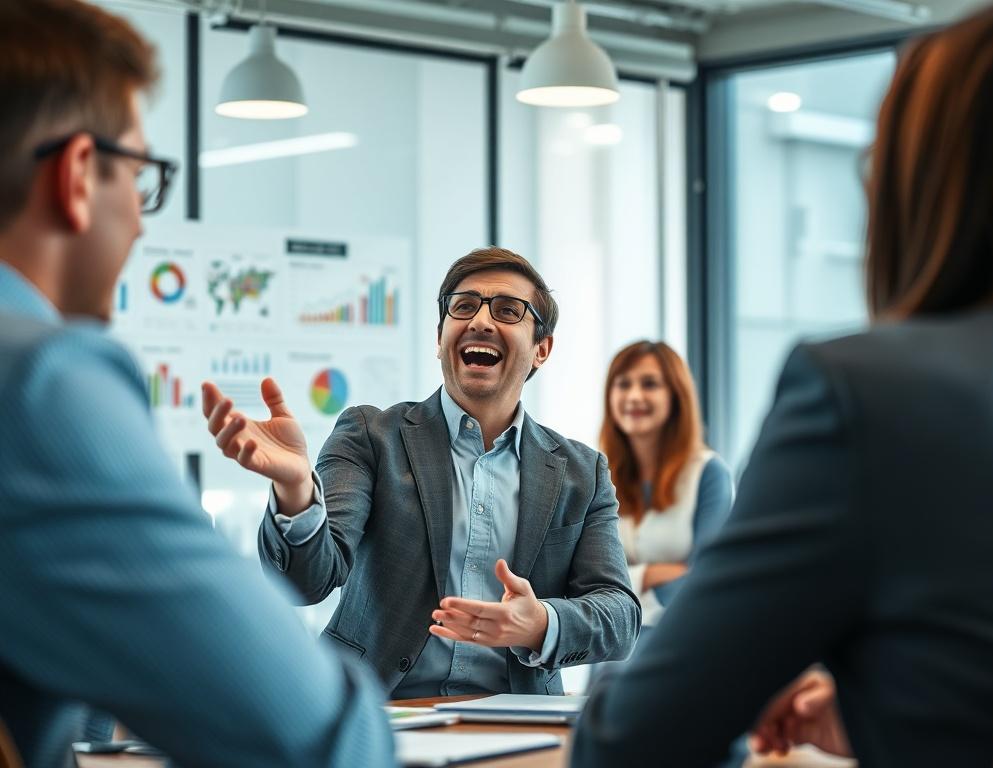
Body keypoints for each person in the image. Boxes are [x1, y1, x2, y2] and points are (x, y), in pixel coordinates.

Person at [571, 4, 993, 766]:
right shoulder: (594, 472)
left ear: (916, 182)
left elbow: (635, 739)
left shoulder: (870, 397)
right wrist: (893, 702)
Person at [0, 2, 394, 766]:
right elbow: (310, 734)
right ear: (78, 176)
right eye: (141, 178)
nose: (143, 226)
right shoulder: (39, 384)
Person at [203, 246, 641, 698]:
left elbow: (620, 617)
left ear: (541, 350)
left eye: (509, 310)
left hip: (518, 720)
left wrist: (540, 624)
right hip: (373, 711)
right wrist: (295, 488)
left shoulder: (581, 472)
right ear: (439, 338)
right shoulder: (371, 435)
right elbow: (305, 582)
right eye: (464, 306)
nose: (481, 322)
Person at [600, 341, 732, 625]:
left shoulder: (708, 473)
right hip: (610, 640)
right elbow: (584, 579)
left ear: (675, 396)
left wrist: (624, 585)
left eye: (650, 384)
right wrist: (648, 576)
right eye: (623, 384)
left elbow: (709, 576)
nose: (634, 396)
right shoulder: (598, 474)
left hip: (682, 635)